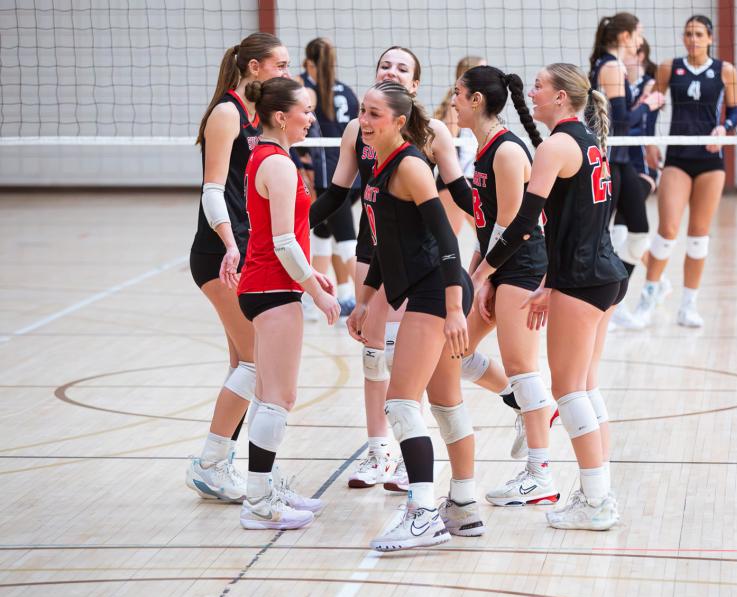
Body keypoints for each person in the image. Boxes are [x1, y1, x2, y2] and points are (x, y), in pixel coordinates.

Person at [309, 46, 512, 491]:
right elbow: (337, 195)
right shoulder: (357, 129)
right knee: (372, 353)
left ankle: (411, 456)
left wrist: (505, 230)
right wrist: (287, 230)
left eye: (403, 68)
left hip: (418, 260)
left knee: (408, 355)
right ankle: (379, 450)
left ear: (415, 85)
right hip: (373, 252)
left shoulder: (432, 132)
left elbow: (460, 193)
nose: (392, 71)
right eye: (385, 65)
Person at [472, 63, 625, 531]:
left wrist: (482, 272)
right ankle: (598, 494)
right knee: (586, 387)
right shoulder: (588, 141)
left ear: (561, 97)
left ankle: (596, 501)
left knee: (569, 390)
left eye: (539, 86)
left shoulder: (555, 146)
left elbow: (523, 224)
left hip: (583, 279)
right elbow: (578, 222)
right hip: (603, 275)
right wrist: (552, 282)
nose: (532, 92)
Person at [347, 80, 484, 551]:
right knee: (445, 404)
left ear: (400, 122)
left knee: (402, 403)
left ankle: (423, 514)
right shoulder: (380, 165)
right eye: (363, 112)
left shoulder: (409, 165)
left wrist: (454, 308)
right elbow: (385, 245)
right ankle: (463, 506)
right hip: (429, 289)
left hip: (437, 291)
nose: (365, 121)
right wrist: (365, 299)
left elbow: (447, 239)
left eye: (374, 114)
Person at [186, 32, 291, 503]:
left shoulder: (255, 115)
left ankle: (224, 465)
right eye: (280, 64)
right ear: (253, 67)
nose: (286, 72)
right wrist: (231, 244)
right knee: (254, 363)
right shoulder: (227, 113)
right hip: (219, 254)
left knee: (242, 366)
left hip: (243, 252)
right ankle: (210, 464)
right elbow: (212, 190)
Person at [450, 65, 559, 506]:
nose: (452, 101)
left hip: (523, 266)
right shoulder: (483, 149)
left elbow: (514, 226)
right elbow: (486, 225)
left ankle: (540, 475)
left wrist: (482, 277)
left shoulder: (508, 151)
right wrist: (478, 270)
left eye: (458, 93)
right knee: (454, 353)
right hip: (498, 265)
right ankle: (524, 406)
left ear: (477, 100)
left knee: (522, 366)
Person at [236, 77, 340, 529]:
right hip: (272, 289)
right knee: (280, 397)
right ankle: (259, 503)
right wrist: (315, 290)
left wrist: (310, 273)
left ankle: (265, 487)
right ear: (281, 117)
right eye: (306, 111)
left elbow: (282, 236)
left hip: (264, 286)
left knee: (266, 397)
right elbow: (282, 242)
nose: (312, 119)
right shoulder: (276, 163)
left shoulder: (268, 156)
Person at [632, 14, 737, 329]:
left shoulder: (725, 70)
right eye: (688, 34)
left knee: (698, 237)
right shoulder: (669, 67)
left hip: (710, 161)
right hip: (678, 158)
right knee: (667, 230)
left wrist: (724, 127)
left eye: (698, 34)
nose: (693, 39)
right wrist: (650, 143)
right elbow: (653, 107)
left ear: (710, 38)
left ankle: (688, 305)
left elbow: (735, 112)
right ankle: (648, 299)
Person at [588, 13, 663, 329]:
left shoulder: (613, 66)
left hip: (621, 161)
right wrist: (648, 104)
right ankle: (597, 302)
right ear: (624, 37)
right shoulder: (610, 67)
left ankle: (613, 303)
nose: (640, 40)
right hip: (608, 159)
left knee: (639, 229)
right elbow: (619, 122)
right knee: (601, 233)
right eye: (637, 34)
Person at [301, 38, 360, 314]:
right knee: (323, 232)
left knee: (347, 240)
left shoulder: (307, 91)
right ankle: (323, 298)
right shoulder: (346, 91)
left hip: (329, 177)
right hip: (355, 174)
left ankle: (367, 301)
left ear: (309, 63)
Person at [435, 55, 485, 234]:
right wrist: (459, 180)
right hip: (456, 179)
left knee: (486, 233)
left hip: (471, 177)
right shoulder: (455, 104)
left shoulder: (476, 104)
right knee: (449, 238)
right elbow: (447, 145)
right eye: (482, 70)